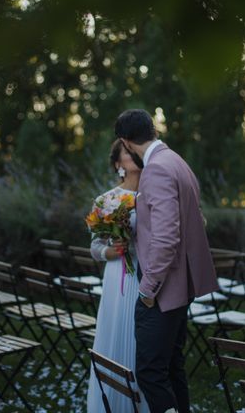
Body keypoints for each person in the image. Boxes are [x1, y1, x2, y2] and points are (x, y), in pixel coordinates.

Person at [114, 109, 219, 413]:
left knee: (150, 371)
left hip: (162, 290)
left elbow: (165, 237)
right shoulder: (177, 161)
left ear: (126, 141)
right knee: (172, 367)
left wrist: (148, 290)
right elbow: (198, 219)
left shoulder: (157, 169)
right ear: (153, 131)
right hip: (181, 287)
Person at [86, 139, 150, 413]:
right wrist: (112, 251)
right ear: (117, 164)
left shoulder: (153, 194)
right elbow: (95, 247)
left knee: (144, 344)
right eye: (126, 151)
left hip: (146, 277)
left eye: (134, 150)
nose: (132, 154)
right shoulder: (106, 200)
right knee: (114, 337)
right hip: (117, 280)